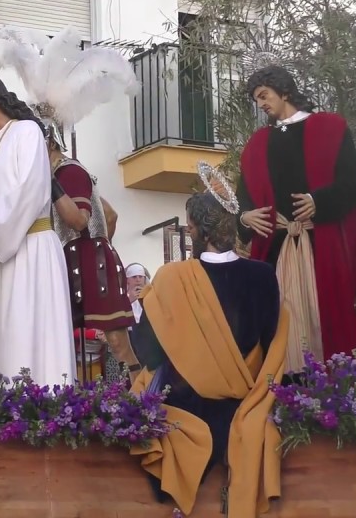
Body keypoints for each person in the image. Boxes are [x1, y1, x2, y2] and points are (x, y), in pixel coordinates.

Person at [130, 163, 288, 517]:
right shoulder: (264, 276)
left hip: (187, 412)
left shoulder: (172, 279)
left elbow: (149, 353)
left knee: (144, 386)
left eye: (189, 226)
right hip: (245, 408)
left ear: (198, 230)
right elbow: (270, 339)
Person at [234, 62, 356, 368]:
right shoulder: (257, 146)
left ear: (284, 91)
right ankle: (287, 390)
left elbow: (353, 182)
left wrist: (318, 201)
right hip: (276, 249)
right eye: (257, 99)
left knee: (326, 318)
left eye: (264, 95)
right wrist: (244, 218)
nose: (261, 103)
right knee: (280, 321)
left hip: (322, 244)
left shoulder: (330, 128)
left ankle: (333, 390)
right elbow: (244, 201)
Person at [0, 71, 76, 388]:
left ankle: (43, 409)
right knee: (11, 331)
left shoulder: (26, 132)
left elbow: (29, 191)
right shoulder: (1, 142)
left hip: (32, 250)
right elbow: (4, 205)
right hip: (10, 254)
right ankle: (10, 411)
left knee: (29, 330)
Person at [45, 128, 140, 381]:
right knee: (60, 339)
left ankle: (143, 401)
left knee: (118, 343)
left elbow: (80, 220)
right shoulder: (58, 173)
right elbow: (109, 213)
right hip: (70, 259)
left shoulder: (70, 171)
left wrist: (98, 248)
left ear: (50, 140)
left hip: (90, 259)